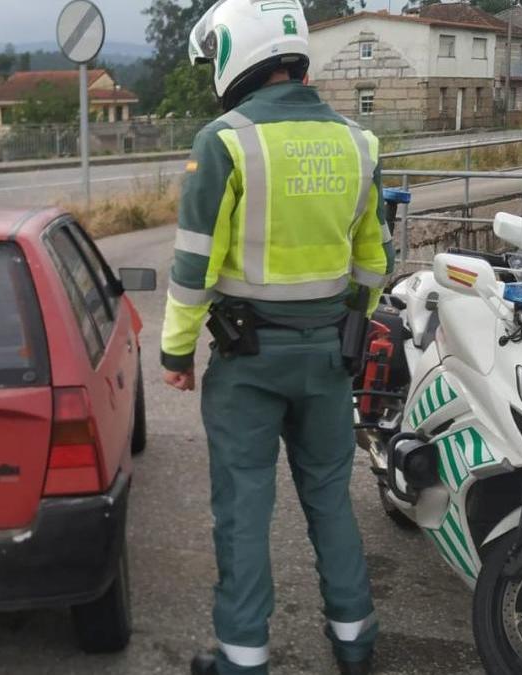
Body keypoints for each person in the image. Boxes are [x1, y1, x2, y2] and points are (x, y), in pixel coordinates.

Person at [159, 2, 394, 674]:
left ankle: (243, 657)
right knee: (330, 498)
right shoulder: (360, 143)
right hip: (328, 356)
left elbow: (192, 265)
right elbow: (374, 261)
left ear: (238, 52)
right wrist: (351, 318)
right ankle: (355, 641)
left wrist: (176, 351)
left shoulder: (224, 141)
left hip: (248, 362)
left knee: (244, 509)